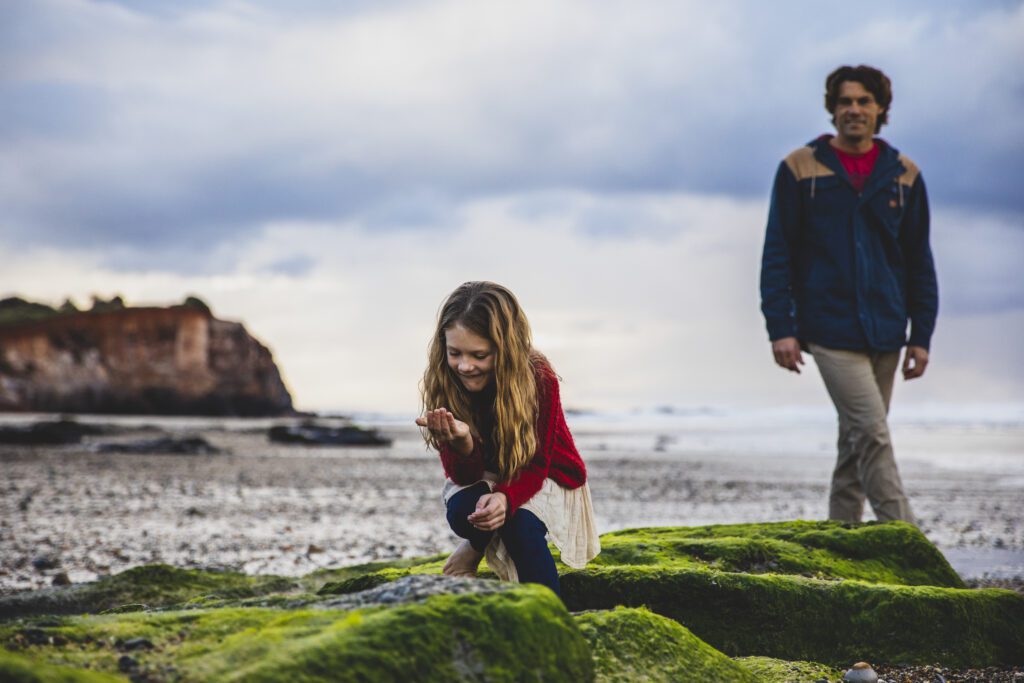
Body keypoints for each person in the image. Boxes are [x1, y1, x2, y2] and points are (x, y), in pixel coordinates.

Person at [759, 65, 938, 524]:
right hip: (828, 328)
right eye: (845, 102)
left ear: (880, 110)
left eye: (863, 101)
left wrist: (921, 335)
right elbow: (777, 252)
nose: (853, 110)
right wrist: (781, 327)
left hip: (886, 329)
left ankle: (842, 539)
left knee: (855, 441)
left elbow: (919, 260)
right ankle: (907, 539)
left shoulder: (905, 174)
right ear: (832, 108)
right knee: (873, 435)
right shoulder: (800, 168)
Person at [416, 281, 600, 596]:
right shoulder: (445, 380)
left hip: (542, 471)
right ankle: (476, 542)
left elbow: (537, 462)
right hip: (490, 470)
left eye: (479, 355)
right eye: (454, 353)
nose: (464, 365)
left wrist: (505, 498)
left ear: (506, 349)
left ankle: (548, 617)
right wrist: (463, 443)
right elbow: (464, 476)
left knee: (520, 526)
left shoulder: (538, 377)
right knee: (465, 513)